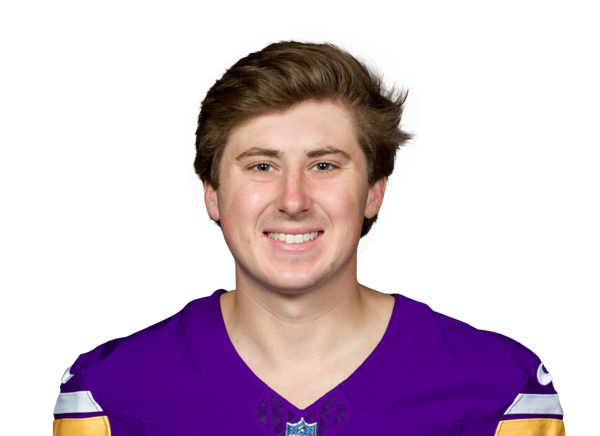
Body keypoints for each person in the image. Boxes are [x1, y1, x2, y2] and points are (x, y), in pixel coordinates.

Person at [52, 32, 565, 436]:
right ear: (211, 192)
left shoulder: (503, 391)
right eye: (261, 166)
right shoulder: (106, 396)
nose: (293, 200)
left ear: (374, 191)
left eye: (324, 165)